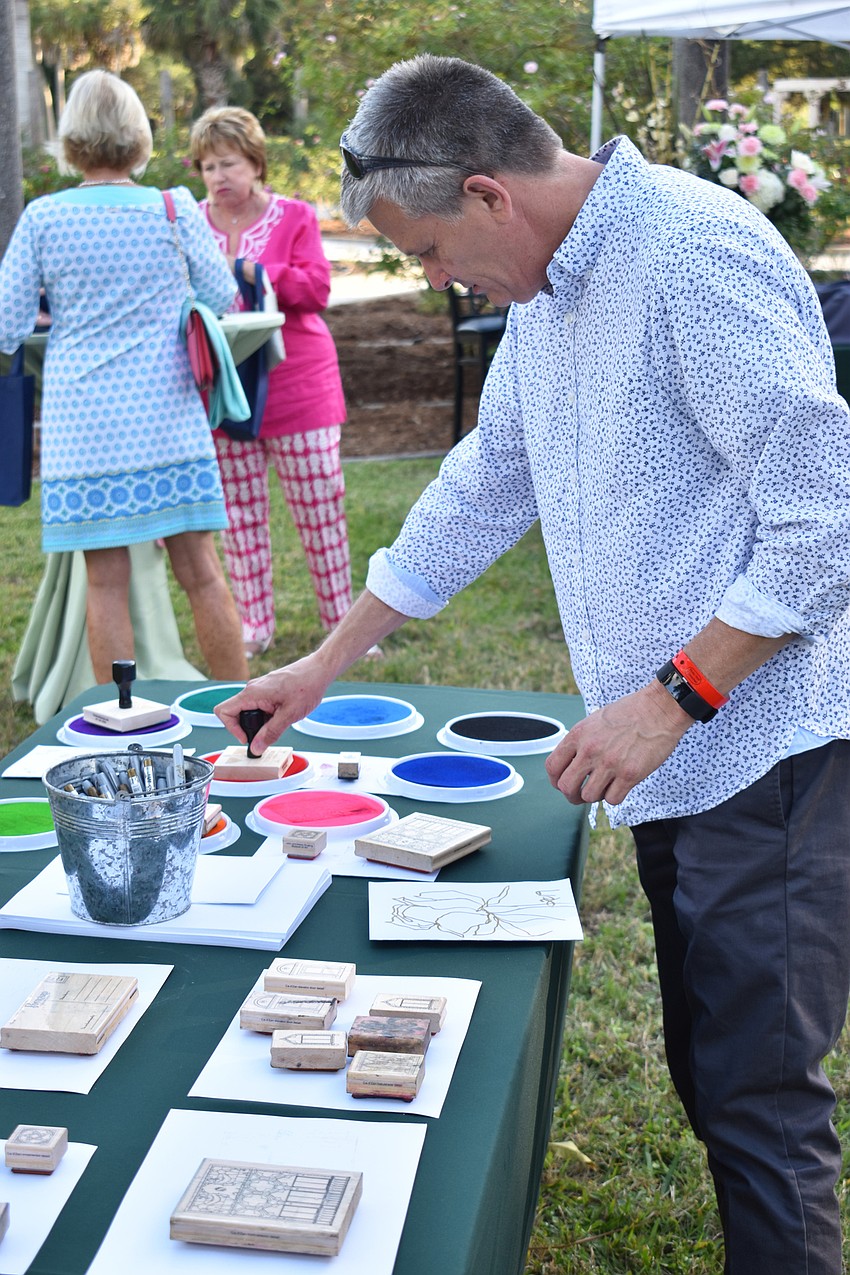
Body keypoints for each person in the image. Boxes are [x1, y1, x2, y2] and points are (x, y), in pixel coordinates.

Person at [216, 54, 850, 1273]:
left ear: (487, 193)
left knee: (761, 1103)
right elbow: (483, 480)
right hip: (678, 742)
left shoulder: (687, 259)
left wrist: (675, 698)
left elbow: (825, 518)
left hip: (763, 747)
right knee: (715, 1070)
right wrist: (326, 662)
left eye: (430, 251)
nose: (434, 281)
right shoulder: (553, 283)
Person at [0, 70, 248, 686]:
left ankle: (124, 730)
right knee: (202, 574)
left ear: (72, 139)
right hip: (165, 420)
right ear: (138, 136)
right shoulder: (173, 208)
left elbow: (6, 326)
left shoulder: (43, 218)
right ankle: (245, 716)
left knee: (105, 583)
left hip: (82, 427)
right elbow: (222, 295)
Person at [190, 106, 353, 660]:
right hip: (225, 391)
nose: (218, 177)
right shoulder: (190, 222)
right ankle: (254, 626)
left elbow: (317, 291)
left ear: (256, 163)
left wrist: (261, 274)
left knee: (320, 510)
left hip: (299, 387)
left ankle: (341, 624)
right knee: (238, 515)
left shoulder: (295, 217)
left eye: (228, 163)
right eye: (208, 166)